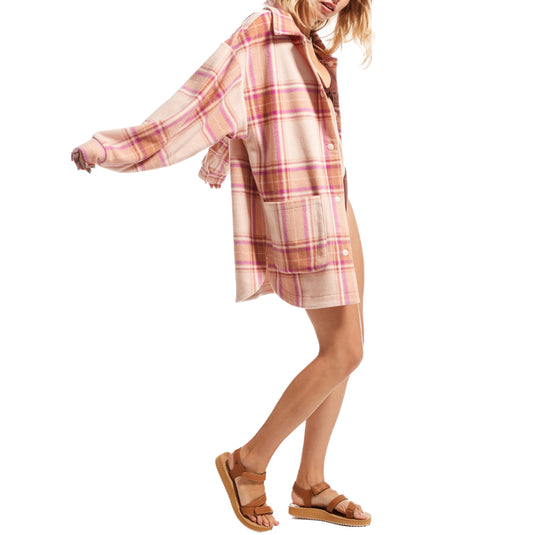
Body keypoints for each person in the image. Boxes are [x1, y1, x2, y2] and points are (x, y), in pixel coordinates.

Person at [72, 0, 373, 530]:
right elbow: (193, 108)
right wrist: (110, 148)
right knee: (345, 350)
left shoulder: (309, 42)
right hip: (304, 212)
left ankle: (310, 482)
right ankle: (247, 462)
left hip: (337, 203)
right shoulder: (262, 33)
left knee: (346, 346)